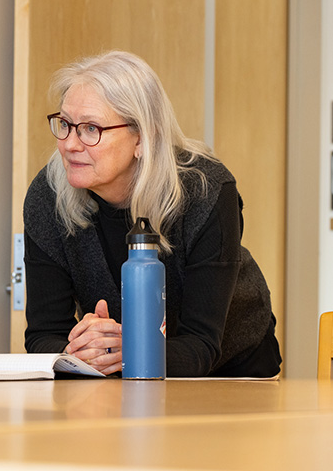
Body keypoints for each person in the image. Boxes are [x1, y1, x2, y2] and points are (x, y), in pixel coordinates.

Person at [23, 50, 281, 377]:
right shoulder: (48, 196)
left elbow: (202, 344)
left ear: (143, 137)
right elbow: (43, 336)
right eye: (65, 124)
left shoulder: (207, 190)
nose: (70, 144)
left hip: (230, 369)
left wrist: (128, 350)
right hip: (117, 371)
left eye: (90, 129)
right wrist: (77, 350)